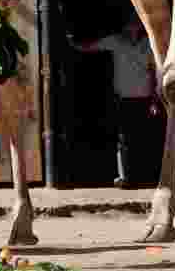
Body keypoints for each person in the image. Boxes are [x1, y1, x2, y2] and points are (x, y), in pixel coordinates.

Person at [69, 15, 161, 188]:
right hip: (122, 98)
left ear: (141, 25)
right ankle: (125, 177)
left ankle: (146, 175)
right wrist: (71, 42)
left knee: (144, 139)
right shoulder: (116, 41)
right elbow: (90, 47)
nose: (132, 26)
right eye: (129, 23)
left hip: (144, 98)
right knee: (123, 138)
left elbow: (153, 73)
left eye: (136, 22)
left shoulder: (149, 43)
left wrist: (155, 101)